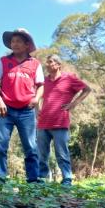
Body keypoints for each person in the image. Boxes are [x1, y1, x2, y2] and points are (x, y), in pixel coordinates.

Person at [0, 28, 44, 183]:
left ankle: (33, 180)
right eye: (13, 41)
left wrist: (36, 99)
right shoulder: (3, 61)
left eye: (19, 41)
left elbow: (40, 86)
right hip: (5, 110)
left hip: (27, 111)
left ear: (27, 45)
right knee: (0, 145)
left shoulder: (35, 64)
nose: (15, 44)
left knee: (31, 147)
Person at [36, 54, 91, 185]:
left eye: (50, 62)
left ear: (58, 64)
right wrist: (37, 108)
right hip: (43, 123)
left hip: (60, 123)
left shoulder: (69, 78)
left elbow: (87, 90)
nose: (47, 64)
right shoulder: (44, 81)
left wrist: (74, 104)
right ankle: (42, 178)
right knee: (42, 154)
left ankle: (67, 179)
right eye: (47, 62)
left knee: (61, 153)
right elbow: (36, 95)